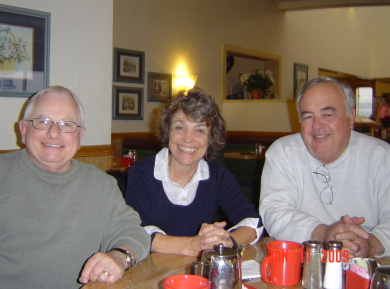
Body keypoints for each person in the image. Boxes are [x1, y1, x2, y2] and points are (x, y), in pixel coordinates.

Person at [0, 86, 150, 288]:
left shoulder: (101, 185)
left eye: (66, 124)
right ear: (23, 129)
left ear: (80, 135)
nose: (54, 133)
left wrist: (120, 256)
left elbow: (132, 230)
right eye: (43, 121)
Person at [260, 77, 390, 258]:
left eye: (327, 115)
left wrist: (370, 244)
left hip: (369, 262)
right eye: (307, 117)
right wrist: (324, 234)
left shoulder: (381, 155)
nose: (317, 126)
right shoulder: (283, 152)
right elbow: (275, 212)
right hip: (305, 260)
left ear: (351, 117)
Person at [125, 88, 262, 256]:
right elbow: (134, 229)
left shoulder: (218, 175)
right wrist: (189, 245)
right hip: (148, 268)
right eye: (180, 127)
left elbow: (252, 221)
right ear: (168, 131)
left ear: (210, 138)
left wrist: (228, 240)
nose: (188, 138)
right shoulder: (142, 173)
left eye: (199, 130)